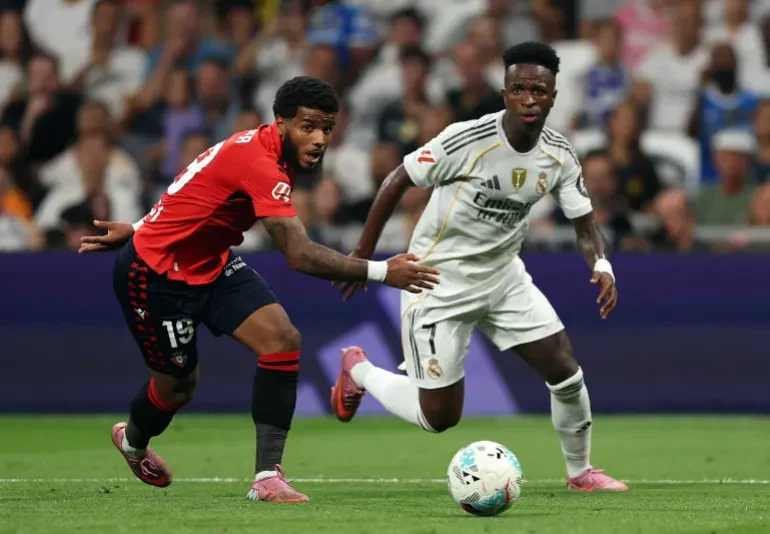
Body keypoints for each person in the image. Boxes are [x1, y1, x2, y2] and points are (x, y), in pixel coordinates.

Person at [77, 76, 439, 502]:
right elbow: (299, 255)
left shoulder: (261, 148)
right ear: (280, 123)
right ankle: (132, 441)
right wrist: (381, 272)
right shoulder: (259, 160)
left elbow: (197, 188)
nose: (320, 138)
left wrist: (141, 225)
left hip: (211, 264)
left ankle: (267, 477)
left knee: (282, 339)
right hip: (155, 275)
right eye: (308, 127)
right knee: (178, 386)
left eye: (327, 127)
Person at [330, 42, 627, 492]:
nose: (529, 98)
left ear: (553, 96)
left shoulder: (560, 154)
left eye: (539, 91)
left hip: (504, 276)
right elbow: (397, 179)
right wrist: (360, 254)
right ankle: (358, 370)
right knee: (440, 418)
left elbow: (585, 224)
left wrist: (602, 264)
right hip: (437, 280)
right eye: (519, 89)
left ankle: (580, 472)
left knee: (565, 371)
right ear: (506, 92)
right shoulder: (466, 140)